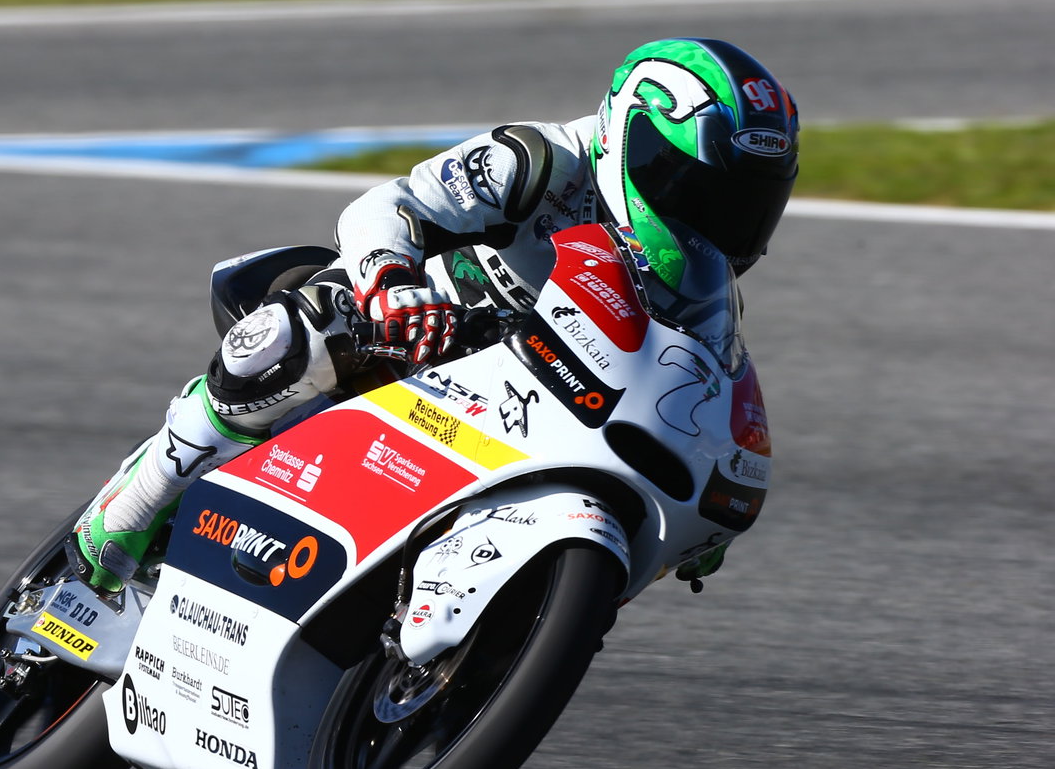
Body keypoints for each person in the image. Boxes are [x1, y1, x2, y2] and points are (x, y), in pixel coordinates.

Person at [67, 37, 799, 593]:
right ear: (638, 141)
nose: (717, 223)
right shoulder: (544, 160)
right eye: (701, 193)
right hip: (420, 329)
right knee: (291, 340)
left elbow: (703, 390)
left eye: (744, 207)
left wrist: (710, 500)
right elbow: (386, 206)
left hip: (526, 403)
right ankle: (138, 502)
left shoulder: (704, 293)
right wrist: (392, 283)